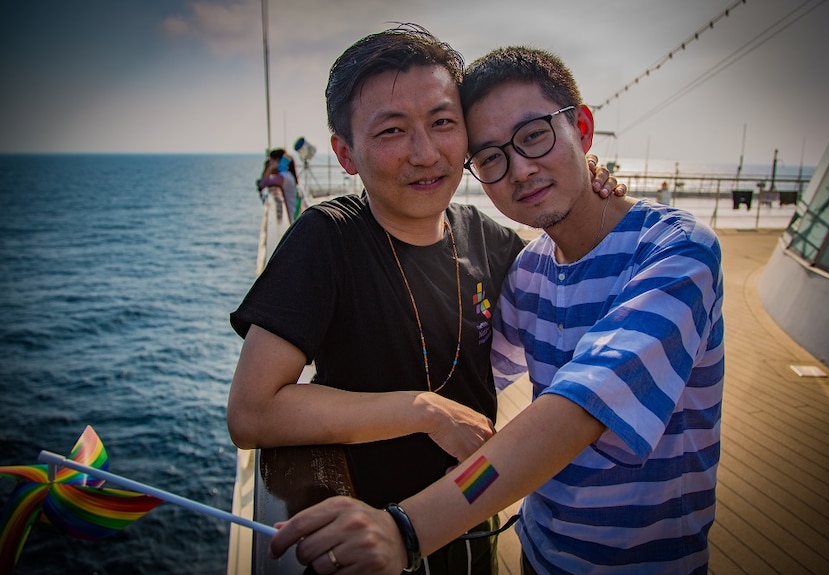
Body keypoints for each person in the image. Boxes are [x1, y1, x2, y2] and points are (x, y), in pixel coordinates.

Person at [267, 45, 724, 575]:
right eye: (490, 157)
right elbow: (464, 372)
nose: (521, 170)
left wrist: (406, 529)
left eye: (535, 136)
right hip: (538, 554)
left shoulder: (675, 251)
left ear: (582, 127)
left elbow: (574, 412)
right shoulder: (528, 270)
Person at [228, 25, 624, 575]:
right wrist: (422, 410)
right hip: (369, 533)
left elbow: (574, 270)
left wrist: (592, 183)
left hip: (471, 516)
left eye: (443, 123)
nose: (425, 153)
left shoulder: (489, 239)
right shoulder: (328, 238)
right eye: (391, 131)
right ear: (345, 153)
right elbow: (251, 410)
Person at [257, 147, 301, 220]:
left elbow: (262, 183)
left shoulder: (283, 177)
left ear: (277, 161)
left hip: (292, 219)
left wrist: (270, 168)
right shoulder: (288, 175)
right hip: (295, 216)